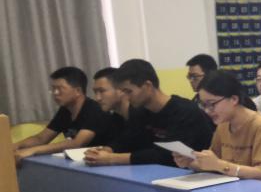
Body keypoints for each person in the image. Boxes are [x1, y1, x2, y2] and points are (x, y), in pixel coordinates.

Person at [85, 59, 213, 167]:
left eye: (129, 91)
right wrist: (106, 151)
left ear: (147, 86)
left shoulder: (185, 111)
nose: (126, 97)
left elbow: (166, 156)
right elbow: (127, 140)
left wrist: (111, 158)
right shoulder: (139, 111)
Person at [13, 67, 113, 166]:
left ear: (78, 91)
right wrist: (15, 146)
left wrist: (33, 150)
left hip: (104, 162)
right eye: (53, 89)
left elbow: (77, 143)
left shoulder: (94, 109)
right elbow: (41, 138)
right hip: (81, 162)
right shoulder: (65, 110)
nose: (55, 93)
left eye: (60, 89)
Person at [91, 67, 131, 146]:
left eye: (102, 91)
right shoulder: (113, 120)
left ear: (121, 90)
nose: (97, 98)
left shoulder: (142, 118)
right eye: (95, 92)